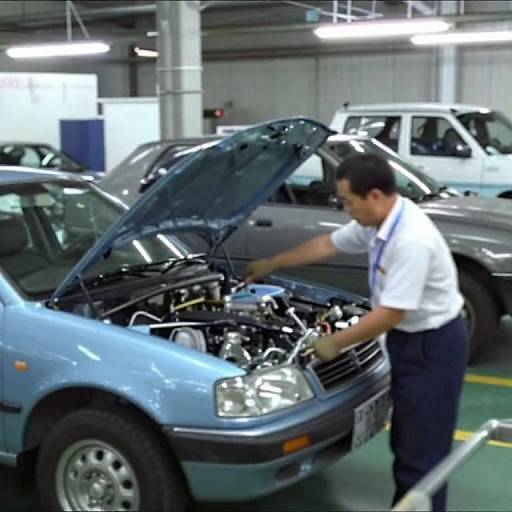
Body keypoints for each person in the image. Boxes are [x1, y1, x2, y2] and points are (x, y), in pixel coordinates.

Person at [246, 153, 468, 512]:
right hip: (410, 340)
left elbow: (390, 314)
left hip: (432, 347)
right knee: (408, 440)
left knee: (423, 451)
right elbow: (327, 244)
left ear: (375, 195)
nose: (345, 209)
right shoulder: (378, 220)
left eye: (348, 201)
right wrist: (274, 263)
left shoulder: (411, 240)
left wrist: (335, 341)